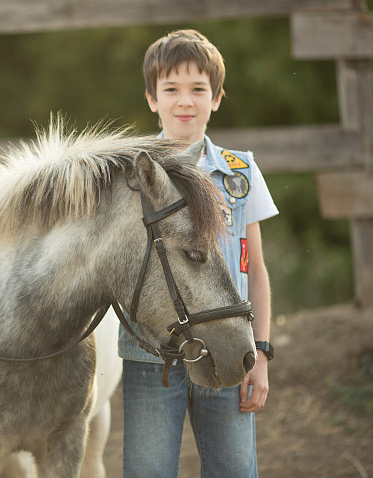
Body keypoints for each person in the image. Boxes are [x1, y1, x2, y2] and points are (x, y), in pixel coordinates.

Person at [120, 29, 278, 477]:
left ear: (217, 98)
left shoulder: (239, 173)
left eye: (197, 89)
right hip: (152, 356)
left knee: (235, 470)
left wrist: (260, 352)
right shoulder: (129, 175)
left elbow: (256, 270)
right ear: (152, 98)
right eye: (171, 89)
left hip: (227, 348)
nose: (184, 101)